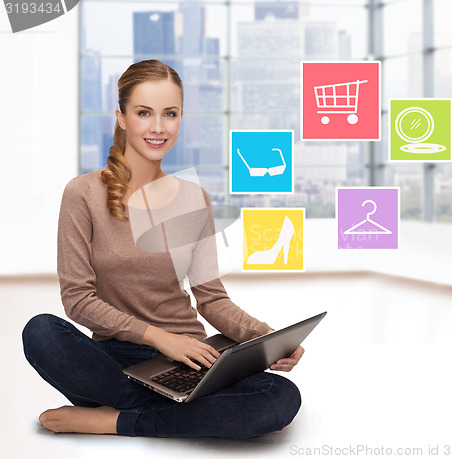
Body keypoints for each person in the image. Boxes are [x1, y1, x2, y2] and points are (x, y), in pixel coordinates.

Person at [22, 59, 303, 438]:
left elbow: (211, 298)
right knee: (40, 331)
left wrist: (263, 337)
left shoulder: (192, 197)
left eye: (169, 114)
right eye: (144, 113)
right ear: (121, 117)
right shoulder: (83, 193)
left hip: (192, 356)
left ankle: (120, 419)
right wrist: (157, 337)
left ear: (181, 118)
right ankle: (174, 413)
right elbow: (77, 300)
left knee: (280, 396)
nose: (158, 127)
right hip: (116, 359)